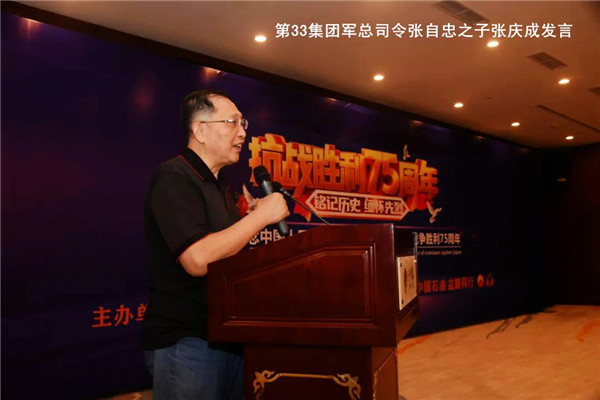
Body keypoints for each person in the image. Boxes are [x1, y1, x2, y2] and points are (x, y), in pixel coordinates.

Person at [141, 90, 289, 399]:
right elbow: (197, 259)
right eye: (232, 122)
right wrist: (260, 218)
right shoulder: (175, 176)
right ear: (200, 130)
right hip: (188, 340)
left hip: (228, 334)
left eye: (243, 123)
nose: (242, 132)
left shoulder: (220, 186)